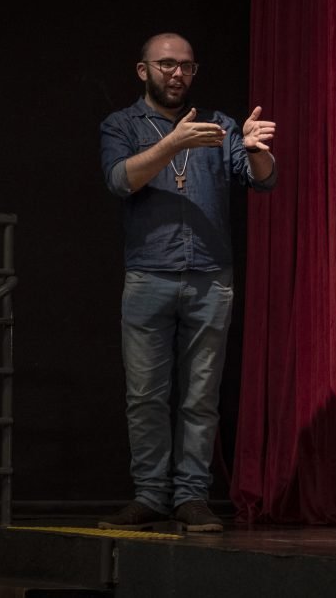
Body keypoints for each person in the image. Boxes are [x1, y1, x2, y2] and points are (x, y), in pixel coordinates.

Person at [98, 32, 277, 533]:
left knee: (200, 396)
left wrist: (256, 148)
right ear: (144, 70)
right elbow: (120, 180)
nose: (177, 74)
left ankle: (192, 498)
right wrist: (173, 142)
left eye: (187, 67)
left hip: (209, 280)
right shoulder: (123, 124)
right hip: (148, 275)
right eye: (167, 65)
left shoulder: (218, 127)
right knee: (146, 396)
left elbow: (263, 177)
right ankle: (150, 495)